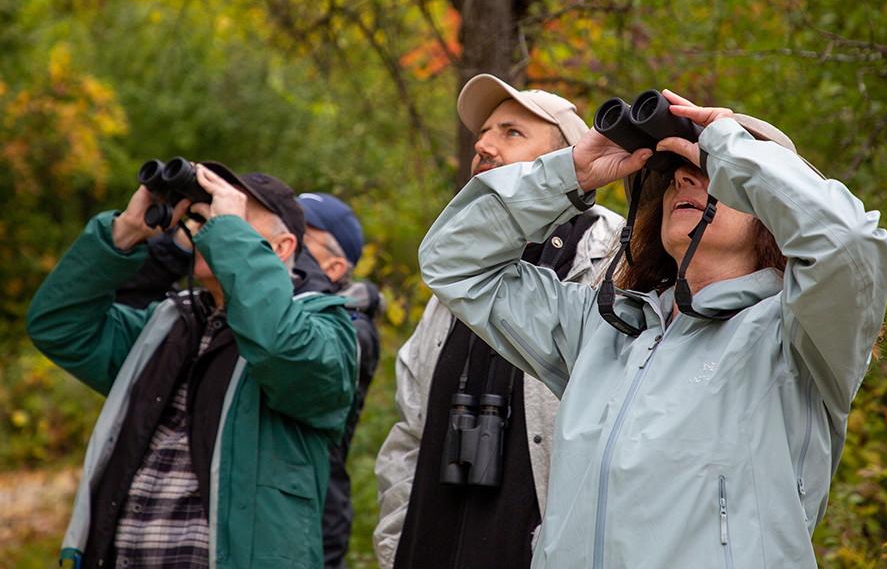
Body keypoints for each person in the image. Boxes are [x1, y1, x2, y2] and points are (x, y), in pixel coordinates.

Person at [417, 89, 887, 567]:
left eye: (710, 175)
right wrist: (571, 172)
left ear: (770, 211)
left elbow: (851, 245)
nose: (686, 178)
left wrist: (728, 145)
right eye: (672, 178)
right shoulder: (603, 330)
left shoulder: (798, 337)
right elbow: (454, 262)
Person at [26, 163, 358, 568]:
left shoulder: (326, 327)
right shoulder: (167, 327)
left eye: (228, 218)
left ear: (283, 248)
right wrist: (125, 233)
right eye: (204, 218)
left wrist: (231, 238)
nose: (209, 231)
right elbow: (58, 325)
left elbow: (283, 352)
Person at [373, 74, 624, 569]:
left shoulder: (615, 259)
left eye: (511, 132)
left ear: (571, 158)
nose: (483, 146)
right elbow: (410, 432)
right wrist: (396, 545)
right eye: (482, 135)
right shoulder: (455, 280)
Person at [297, 192, 383, 569]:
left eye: (299, 234)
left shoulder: (356, 328)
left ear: (333, 268)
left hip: (312, 522)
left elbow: (306, 359)